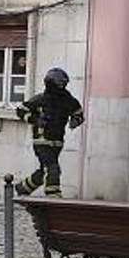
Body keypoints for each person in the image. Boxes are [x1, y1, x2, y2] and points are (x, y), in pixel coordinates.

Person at [15, 67, 83, 198]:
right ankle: (54, 197)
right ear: (50, 82)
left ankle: (23, 187)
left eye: (63, 83)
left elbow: (78, 114)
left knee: (45, 169)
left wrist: (75, 121)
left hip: (57, 142)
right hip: (42, 141)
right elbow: (21, 111)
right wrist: (35, 120)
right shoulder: (40, 99)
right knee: (53, 168)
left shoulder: (68, 100)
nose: (62, 86)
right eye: (59, 83)